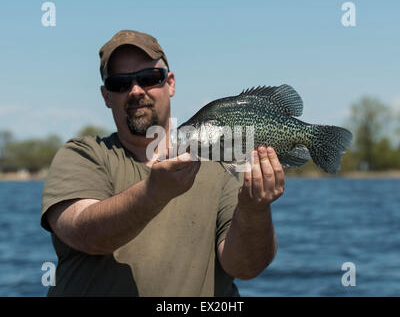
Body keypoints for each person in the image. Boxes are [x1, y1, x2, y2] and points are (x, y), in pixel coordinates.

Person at [40, 30, 285, 296]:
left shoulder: (222, 161)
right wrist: (154, 192)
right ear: (106, 96)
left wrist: (255, 209)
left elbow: (245, 267)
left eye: (149, 78)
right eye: (120, 84)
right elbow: (85, 235)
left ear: (170, 83)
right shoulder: (83, 154)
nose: (135, 90)